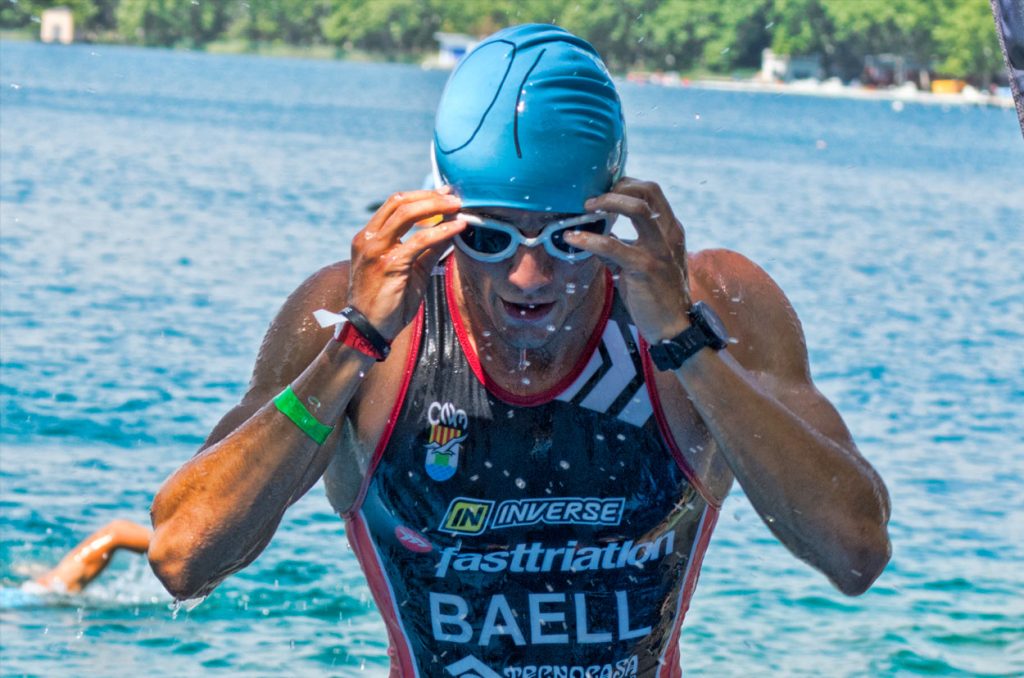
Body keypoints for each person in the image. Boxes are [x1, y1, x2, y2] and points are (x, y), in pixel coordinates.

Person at [148, 24, 891, 677]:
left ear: (615, 208)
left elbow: (855, 553)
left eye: (567, 238)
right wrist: (352, 349)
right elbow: (183, 557)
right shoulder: (362, 326)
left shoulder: (712, 309)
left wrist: (684, 344)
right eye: (488, 236)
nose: (529, 276)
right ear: (438, 214)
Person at [29, 520, 152, 594]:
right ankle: (166, 547)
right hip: (48, 590)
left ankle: (164, 546)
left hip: (39, 591)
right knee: (115, 533)